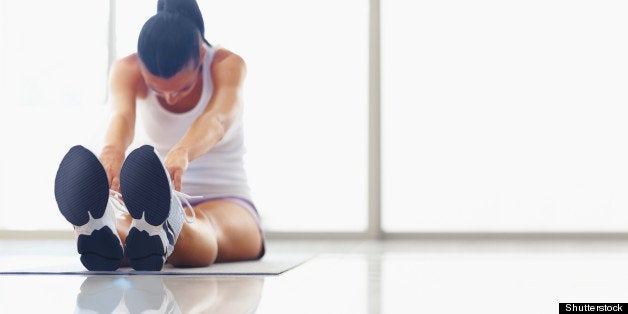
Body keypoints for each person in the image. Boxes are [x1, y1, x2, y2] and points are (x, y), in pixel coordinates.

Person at [54, 0, 264, 271]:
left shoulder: (226, 64)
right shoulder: (127, 70)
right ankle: (104, 227)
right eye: (158, 89)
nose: (170, 97)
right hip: (159, 198)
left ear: (201, 55)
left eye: (183, 88)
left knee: (204, 225)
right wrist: (112, 153)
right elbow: (122, 117)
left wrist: (182, 152)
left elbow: (218, 119)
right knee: (133, 231)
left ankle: (166, 226)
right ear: (141, 65)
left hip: (227, 200)